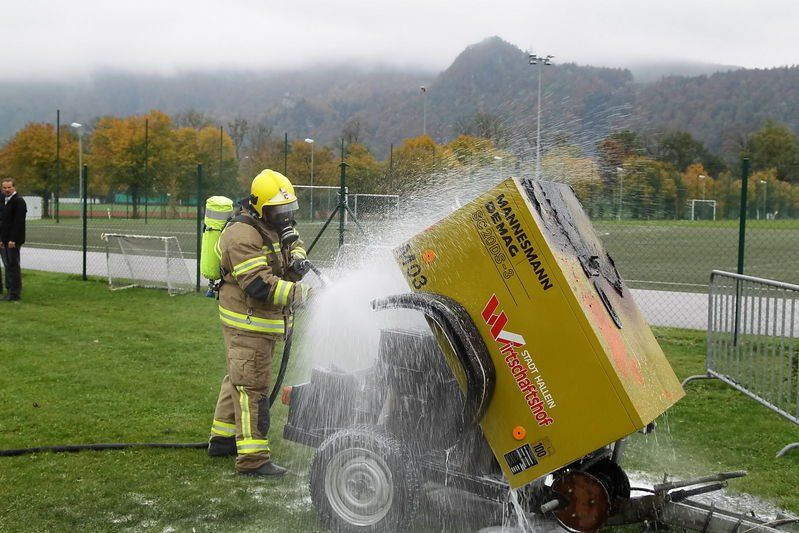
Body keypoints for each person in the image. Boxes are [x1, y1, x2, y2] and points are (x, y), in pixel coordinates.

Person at [208, 169, 311, 477]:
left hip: (260, 321)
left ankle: (223, 439)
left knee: (239, 378)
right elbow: (259, 284)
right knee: (252, 387)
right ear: (258, 207)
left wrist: (298, 258)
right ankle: (253, 459)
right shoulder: (242, 234)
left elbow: (295, 245)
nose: (285, 217)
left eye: (289, 209)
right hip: (247, 322)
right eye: (279, 211)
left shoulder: (274, 226)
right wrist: (303, 294)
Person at [0, 178, 26, 302]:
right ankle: (10, 291)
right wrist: (2, 239)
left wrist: (12, 240)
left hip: (13, 241)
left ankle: (15, 293)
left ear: (14, 187)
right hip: (5, 240)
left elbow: (18, 222)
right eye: (4, 188)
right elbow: (4, 223)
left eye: (9, 187)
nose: (7, 190)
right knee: (9, 266)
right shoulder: (7, 201)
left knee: (13, 266)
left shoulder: (19, 201)